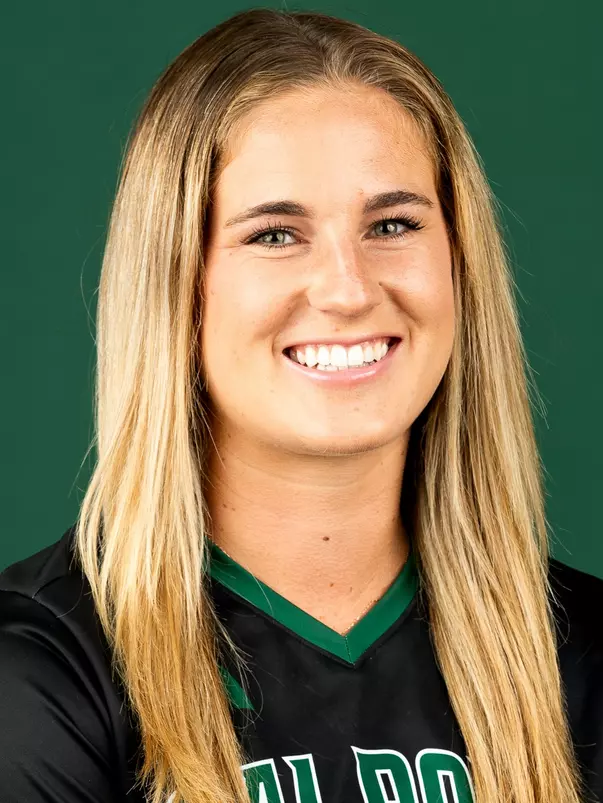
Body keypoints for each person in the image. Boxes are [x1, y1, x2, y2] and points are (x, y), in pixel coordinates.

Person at [0, 7, 601, 803]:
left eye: (391, 224)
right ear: (177, 284)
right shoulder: (42, 666)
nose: (349, 289)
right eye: (275, 235)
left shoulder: (580, 656)